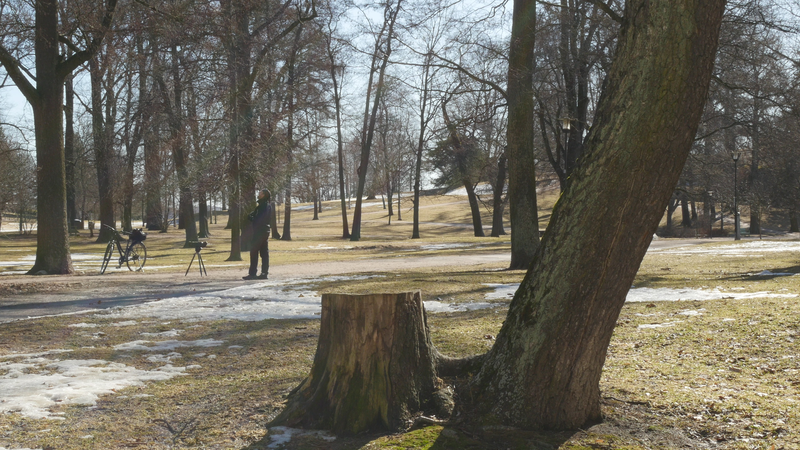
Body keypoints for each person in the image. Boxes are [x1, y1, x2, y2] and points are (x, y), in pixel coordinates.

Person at [243, 189, 272, 280]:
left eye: (260, 193)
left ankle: (252, 273)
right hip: (265, 231)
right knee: (264, 253)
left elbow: (259, 219)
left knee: (254, 251)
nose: (258, 194)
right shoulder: (267, 206)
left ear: (264, 195)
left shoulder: (262, 206)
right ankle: (264, 273)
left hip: (259, 231)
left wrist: (252, 218)